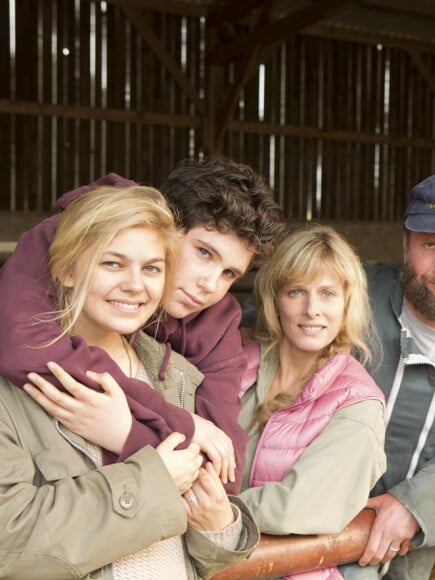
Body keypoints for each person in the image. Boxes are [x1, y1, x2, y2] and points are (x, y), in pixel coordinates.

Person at [241, 173, 435, 580]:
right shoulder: (351, 293)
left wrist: (416, 502)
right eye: (429, 245)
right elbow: (262, 327)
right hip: (309, 525)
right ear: (405, 242)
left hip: (413, 532)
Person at [0, 185, 259, 579]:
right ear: (67, 270)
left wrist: (222, 528)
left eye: (152, 268)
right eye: (113, 264)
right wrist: (152, 480)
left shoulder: (181, 380)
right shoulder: (13, 392)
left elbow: (205, 535)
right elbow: (10, 546)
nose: (136, 285)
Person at [0, 157, 284, 493]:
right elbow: (22, 347)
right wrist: (182, 423)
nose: (211, 285)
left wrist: (125, 434)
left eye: (229, 274)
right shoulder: (86, 232)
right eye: (204, 253)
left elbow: (223, 465)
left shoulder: (218, 320)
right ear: (163, 224)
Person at [238, 224, 387, 580]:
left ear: (347, 302)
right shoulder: (236, 365)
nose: (312, 309)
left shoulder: (358, 405)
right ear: (275, 299)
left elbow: (297, 506)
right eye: (296, 292)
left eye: (327, 294)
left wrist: (195, 509)